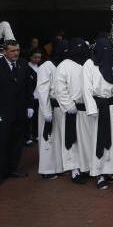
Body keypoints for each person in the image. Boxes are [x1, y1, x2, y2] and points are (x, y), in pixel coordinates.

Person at [0, 40, 34, 186]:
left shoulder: (23, 65)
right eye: (12, 51)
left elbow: (28, 87)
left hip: (19, 113)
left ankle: (12, 169)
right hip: (1, 114)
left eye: (17, 50)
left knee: (17, 143)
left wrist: (30, 106)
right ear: (4, 51)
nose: (16, 53)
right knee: (0, 144)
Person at [55, 38, 93, 184]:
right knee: (73, 140)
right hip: (73, 110)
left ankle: (88, 167)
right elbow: (60, 89)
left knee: (87, 140)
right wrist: (69, 106)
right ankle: (74, 170)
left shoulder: (88, 63)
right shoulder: (64, 65)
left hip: (88, 109)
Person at [81, 37, 113, 190]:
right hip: (99, 107)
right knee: (99, 139)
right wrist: (92, 109)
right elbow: (86, 88)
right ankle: (100, 173)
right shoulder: (89, 64)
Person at [36, 38, 66, 179]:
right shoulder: (46, 66)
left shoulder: (60, 65)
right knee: (48, 139)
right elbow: (42, 91)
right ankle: (47, 170)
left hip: (58, 108)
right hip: (48, 108)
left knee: (57, 139)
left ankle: (57, 166)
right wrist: (47, 112)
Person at [27, 49, 42, 144]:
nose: (37, 59)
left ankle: (36, 135)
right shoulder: (26, 67)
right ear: (30, 57)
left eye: (39, 57)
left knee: (37, 118)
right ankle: (28, 136)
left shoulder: (41, 68)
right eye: (35, 57)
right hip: (29, 97)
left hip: (38, 97)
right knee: (28, 118)